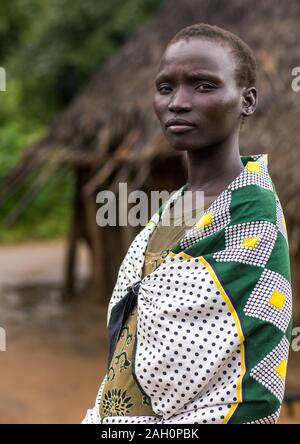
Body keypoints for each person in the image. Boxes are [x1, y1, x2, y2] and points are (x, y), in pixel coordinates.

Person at [82, 23, 292, 424]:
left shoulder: (250, 213)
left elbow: (219, 377)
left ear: (247, 101)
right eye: (166, 88)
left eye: (203, 86)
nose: (178, 102)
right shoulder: (176, 206)